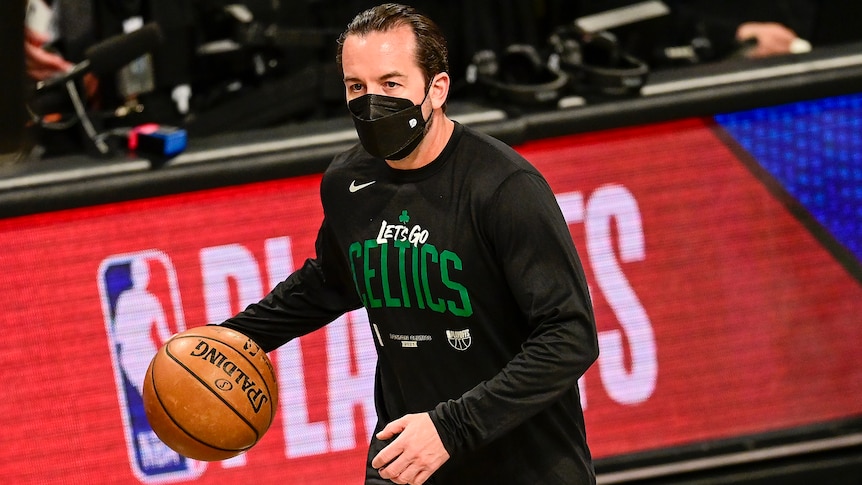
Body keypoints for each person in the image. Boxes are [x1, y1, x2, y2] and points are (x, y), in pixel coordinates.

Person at [219, 3, 599, 484]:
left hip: (521, 464)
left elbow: (570, 336)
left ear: (436, 89)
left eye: (391, 84)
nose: (372, 102)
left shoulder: (503, 187)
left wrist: (450, 428)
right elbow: (331, 281)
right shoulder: (347, 182)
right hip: (405, 458)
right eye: (357, 87)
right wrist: (233, 336)